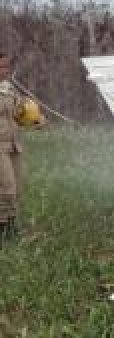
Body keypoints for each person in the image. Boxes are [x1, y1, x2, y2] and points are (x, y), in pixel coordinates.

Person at [0, 53, 45, 240]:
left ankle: (11, 231)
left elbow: (19, 114)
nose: (5, 70)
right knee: (6, 188)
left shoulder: (9, 89)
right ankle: (3, 233)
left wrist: (35, 120)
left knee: (17, 188)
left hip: (14, 145)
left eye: (6, 66)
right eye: (1, 67)